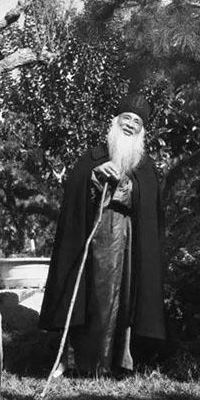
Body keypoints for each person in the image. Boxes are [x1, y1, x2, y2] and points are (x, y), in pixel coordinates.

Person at [39, 95, 166, 377]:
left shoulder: (145, 167)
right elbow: (74, 198)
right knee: (92, 297)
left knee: (125, 299)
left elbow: (149, 208)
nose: (130, 124)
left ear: (142, 131)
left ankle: (120, 362)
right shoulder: (91, 158)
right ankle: (81, 361)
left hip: (129, 243)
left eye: (137, 122)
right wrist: (94, 176)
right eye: (126, 118)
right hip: (93, 239)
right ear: (115, 122)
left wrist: (127, 184)